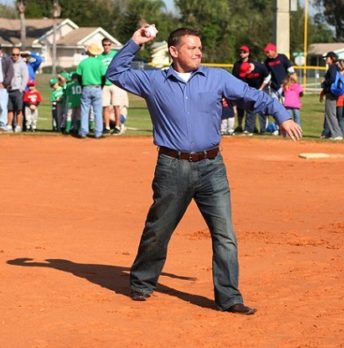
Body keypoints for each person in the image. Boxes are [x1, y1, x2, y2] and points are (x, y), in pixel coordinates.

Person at [106, 26, 302, 315]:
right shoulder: (154, 81)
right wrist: (136, 41)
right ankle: (142, 281)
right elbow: (116, 73)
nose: (199, 51)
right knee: (158, 230)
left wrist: (281, 114)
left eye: (200, 47)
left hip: (212, 167)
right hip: (173, 167)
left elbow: (253, 96)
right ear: (174, 51)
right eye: (192, 47)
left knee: (225, 233)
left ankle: (229, 297)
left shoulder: (216, 77)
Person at [76, 42, 106, 139]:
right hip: (97, 87)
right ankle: (98, 133)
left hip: (86, 87)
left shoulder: (83, 63)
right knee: (97, 111)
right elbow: (104, 76)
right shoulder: (100, 63)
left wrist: (82, 85)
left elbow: (78, 76)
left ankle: (83, 132)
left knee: (85, 110)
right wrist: (101, 86)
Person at [98, 37, 124, 135]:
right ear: (102, 45)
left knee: (116, 106)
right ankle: (107, 126)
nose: (107, 46)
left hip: (115, 83)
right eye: (105, 45)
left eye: (109, 44)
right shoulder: (99, 57)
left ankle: (117, 126)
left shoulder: (115, 54)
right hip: (105, 84)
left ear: (111, 45)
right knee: (105, 106)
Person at [238, 61, 271, 135]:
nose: (245, 74)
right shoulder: (243, 70)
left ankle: (263, 130)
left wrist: (261, 88)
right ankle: (249, 129)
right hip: (251, 89)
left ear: (250, 69)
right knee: (250, 108)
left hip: (263, 88)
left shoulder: (260, 67)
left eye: (246, 72)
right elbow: (243, 82)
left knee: (262, 108)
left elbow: (268, 77)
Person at [319, 51, 343, 140]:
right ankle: (333, 134)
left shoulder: (332, 67)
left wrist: (324, 83)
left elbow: (332, 79)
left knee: (331, 114)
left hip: (331, 92)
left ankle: (337, 134)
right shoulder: (334, 67)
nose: (326, 59)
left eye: (327, 57)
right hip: (331, 92)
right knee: (330, 114)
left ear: (331, 58)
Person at [5, 47, 29, 132]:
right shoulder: (8, 62)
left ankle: (18, 126)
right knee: (9, 109)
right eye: (13, 54)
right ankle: (9, 125)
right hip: (9, 89)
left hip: (18, 90)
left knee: (18, 109)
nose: (15, 56)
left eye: (17, 54)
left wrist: (21, 89)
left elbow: (25, 77)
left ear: (19, 55)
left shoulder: (22, 64)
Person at [231, 45, 251, 133]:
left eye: (244, 52)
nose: (242, 54)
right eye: (241, 52)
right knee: (240, 108)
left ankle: (249, 127)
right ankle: (239, 126)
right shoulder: (237, 64)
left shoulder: (252, 63)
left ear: (248, 53)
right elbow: (233, 77)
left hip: (250, 87)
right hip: (239, 88)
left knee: (250, 108)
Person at [0, 44, 14, 131]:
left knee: (2, 106)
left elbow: (10, 73)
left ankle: (2, 124)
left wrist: (5, 83)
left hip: (2, 86)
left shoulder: (6, 59)